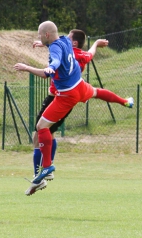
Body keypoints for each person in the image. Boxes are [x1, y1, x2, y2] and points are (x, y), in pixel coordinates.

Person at [13, 21, 134, 196]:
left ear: (47, 35)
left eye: (40, 35)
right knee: (97, 92)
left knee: (41, 128)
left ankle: (46, 167)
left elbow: (51, 65)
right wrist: (44, 45)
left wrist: (30, 68)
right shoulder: (64, 41)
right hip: (79, 85)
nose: (38, 37)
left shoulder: (57, 47)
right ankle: (124, 101)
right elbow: (65, 50)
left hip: (65, 95)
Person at [31, 29, 112, 183]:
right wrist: (96, 44)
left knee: (39, 132)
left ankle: (41, 173)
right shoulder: (78, 53)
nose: (66, 38)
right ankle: (46, 169)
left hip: (58, 97)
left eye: (69, 36)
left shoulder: (69, 51)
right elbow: (89, 54)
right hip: (68, 96)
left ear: (74, 42)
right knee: (47, 132)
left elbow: (56, 57)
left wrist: (37, 65)